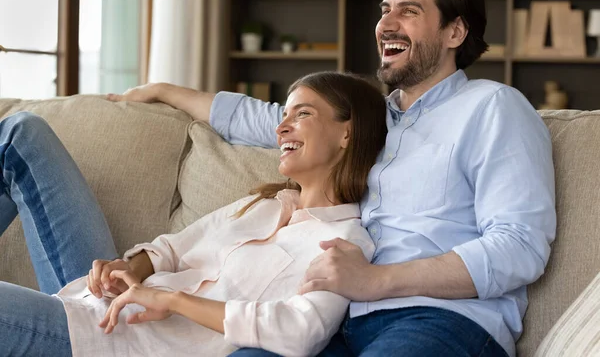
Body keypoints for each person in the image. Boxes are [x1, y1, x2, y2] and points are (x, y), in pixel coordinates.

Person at [113, 0, 556, 356]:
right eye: (386, 10)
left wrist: (375, 281)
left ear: (454, 32)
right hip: (339, 320)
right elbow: (265, 119)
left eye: (409, 11)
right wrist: (162, 90)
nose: (387, 23)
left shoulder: (493, 107)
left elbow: (519, 247)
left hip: (442, 320)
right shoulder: (370, 119)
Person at [0, 71, 388, 356]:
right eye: (283, 116)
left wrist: (173, 301)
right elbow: (170, 249)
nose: (281, 128)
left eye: (301, 115)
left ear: (347, 133)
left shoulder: (347, 243)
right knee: (22, 132)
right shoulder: (265, 204)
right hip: (100, 301)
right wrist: (128, 269)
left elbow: (302, 329)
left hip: (119, 341)